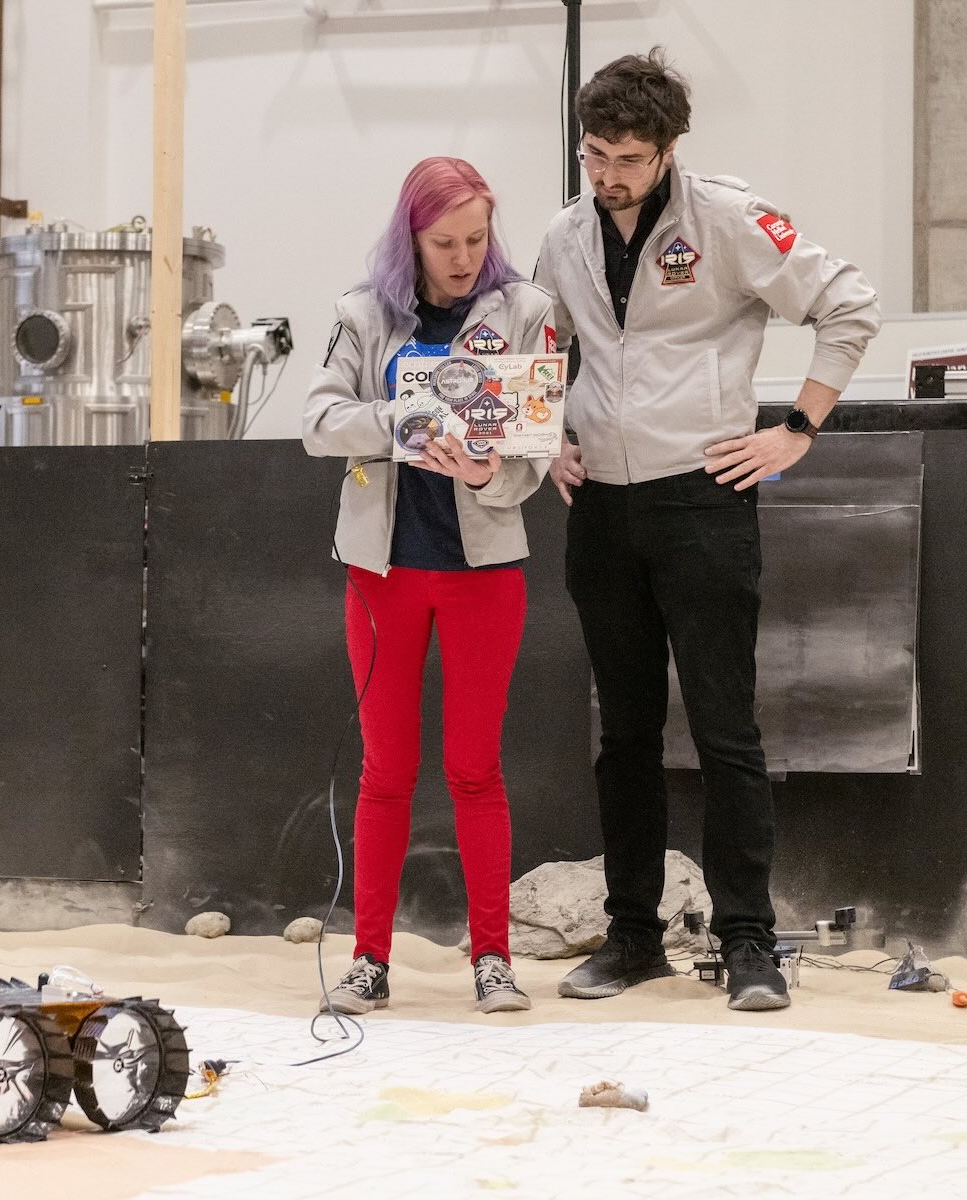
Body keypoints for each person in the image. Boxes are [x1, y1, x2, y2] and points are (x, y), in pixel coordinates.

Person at [532, 50, 880, 1011]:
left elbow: (850, 306)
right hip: (601, 507)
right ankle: (633, 936)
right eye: (594, 153)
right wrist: (545, 439)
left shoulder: (728, 219)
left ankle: (748, 941)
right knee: (625, 738)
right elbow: (536, 352)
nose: (607, 175)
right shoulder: (561, 237)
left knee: (726, 732)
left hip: (703, 500)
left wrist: (795, 431)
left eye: (629, 159)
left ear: (671, 150)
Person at [301, 156, 556, 1015]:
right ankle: (369, 960)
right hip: (384, 573)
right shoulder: (362, 314)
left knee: (475, 770)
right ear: (410, 238)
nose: (461, 256)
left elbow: (537, 448)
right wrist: (401, 420)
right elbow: (318, 422)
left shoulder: (525, 311)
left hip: (484, 573)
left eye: (476, 238)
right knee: (387, 770)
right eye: (444, 241)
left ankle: (493, 960)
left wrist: (489, 472)